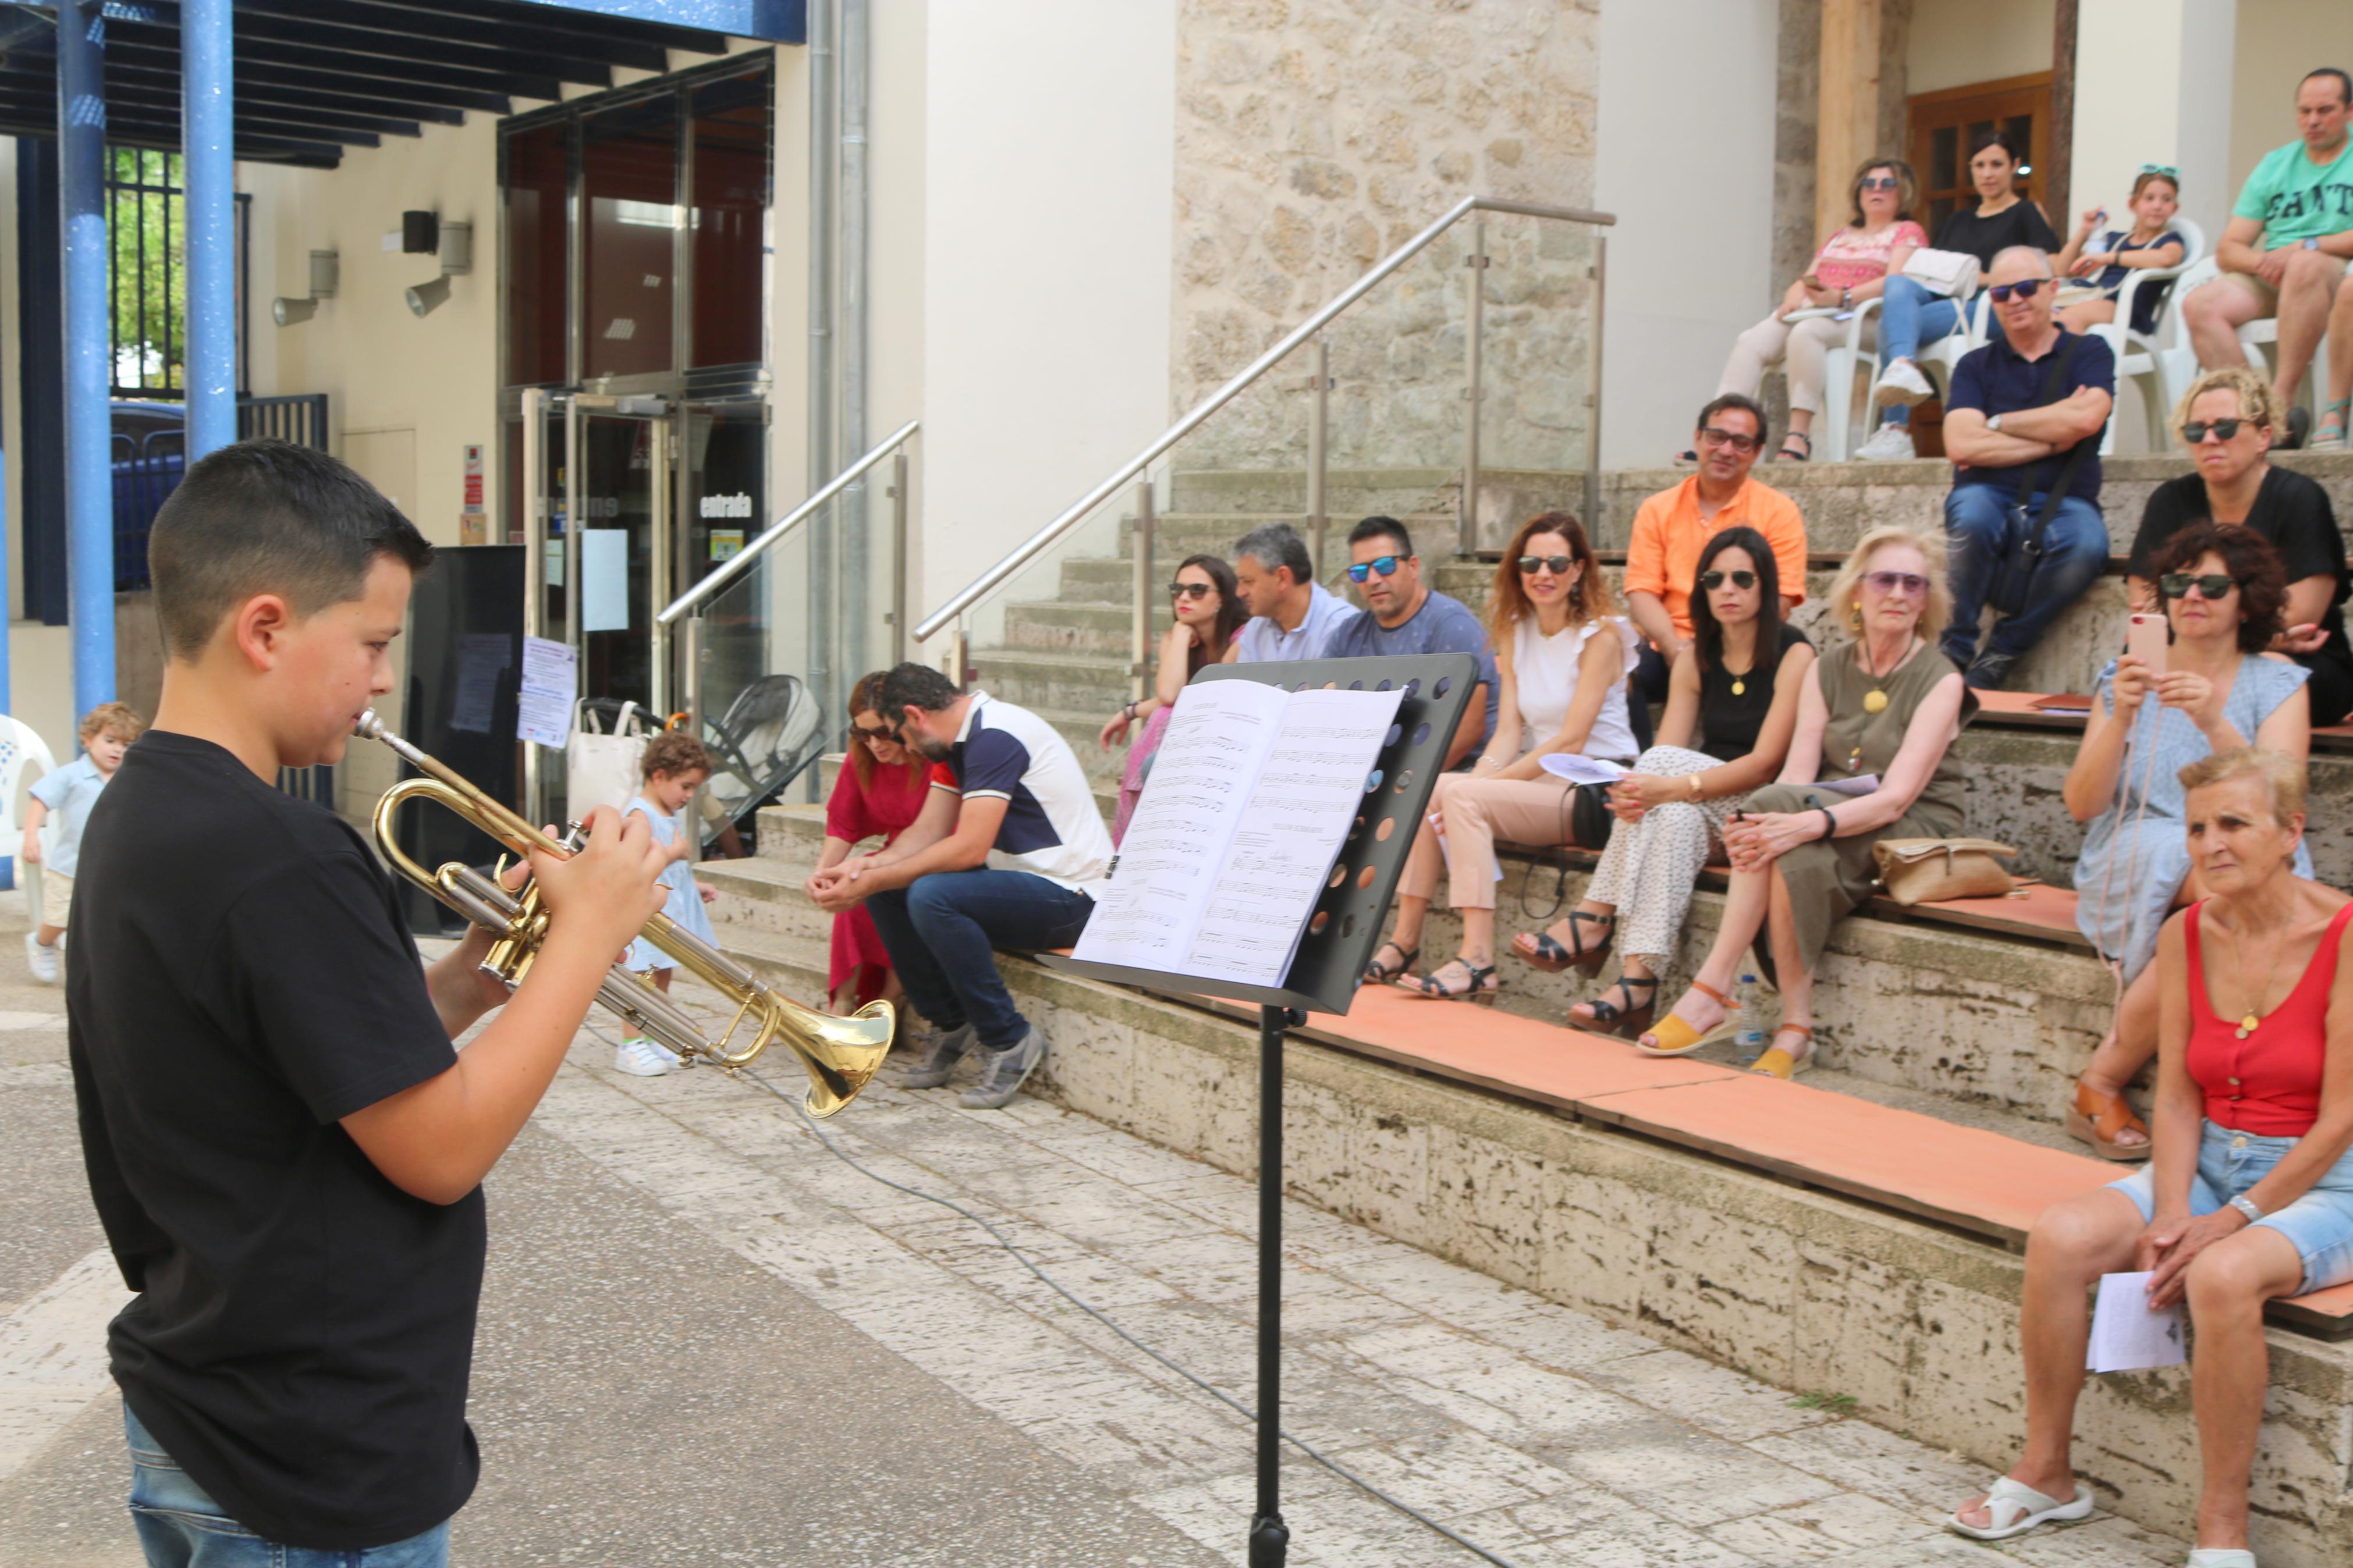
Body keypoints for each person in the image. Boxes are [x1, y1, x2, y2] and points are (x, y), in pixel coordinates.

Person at [68, 440, 668, 1566]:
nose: (385, 683)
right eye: (374, 645)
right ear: (264, 629)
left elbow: (290, 1068)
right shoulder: (283, 854)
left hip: (218, 1404)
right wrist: (589, 939)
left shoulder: (143, 813)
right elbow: (440, 1150)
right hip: (307, 1455)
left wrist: (471, 980)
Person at [1948, 748, 2353, 1566]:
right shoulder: (2184, 930)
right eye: (2197, 828)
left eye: (2232, 823)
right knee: (2061, 1233)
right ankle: (2046, 1471)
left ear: (2289, 832)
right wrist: (2174, 1209)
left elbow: (2341, 1116)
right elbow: (2173, 1095)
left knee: (2220, 1273)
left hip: (2324, 1176)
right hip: (2206, 1159)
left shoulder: (2344, 933)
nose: (2208, 843)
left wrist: (2228, 1220)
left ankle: (2220, 1527)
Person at [1638, 528, 1975, 1076]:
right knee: (1776, 831)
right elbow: (1797, 774)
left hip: (1910, 822)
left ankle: (1713, 990)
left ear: (1927, 600)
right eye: (1883, 579)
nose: (1897, 593)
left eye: (1912, 583)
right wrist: (1784, 824)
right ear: (1857, 592)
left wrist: (1804, 824)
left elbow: (1894, 799)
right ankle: (1794, 1027)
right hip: (1832, 807)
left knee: (1781, 829)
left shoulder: (1942, 680)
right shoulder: (1827, 667)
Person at [2067, 524, 2313, 1162]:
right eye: (2177, 583)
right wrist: (2119, 716)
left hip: (2248, 851)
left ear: (2245, 598)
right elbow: (2081, 805)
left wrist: (2212, 720)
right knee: (2218, 880)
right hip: (2138, 838)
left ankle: (2104, 1083)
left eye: (2211, 584)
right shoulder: (2122, 678)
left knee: (2228, 883)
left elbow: (2280, 801)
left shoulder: (2276, 682)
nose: (2191, 596)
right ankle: (2111, 1078)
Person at [1533, 529, 1816, 1037]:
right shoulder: (1695, 656)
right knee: (1672, 815)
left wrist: (1665, 784)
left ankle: (1595, 916)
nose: (1727, 588)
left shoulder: (1794, 654)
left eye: (1742, 578)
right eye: (1714, 579)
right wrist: (1638, 795)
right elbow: (1662, 769)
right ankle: (1638, 984)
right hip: (1708, 809)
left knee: (1661, 771)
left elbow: (1765, 763)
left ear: (1765, 586)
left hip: (1765, 806)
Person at [810, 664, 1112, 1111]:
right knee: (890, 889)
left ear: (915, 715)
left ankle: (1010, 1039)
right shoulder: (959, 744)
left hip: (1074, 896)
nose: (904, 747)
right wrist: (863, 869)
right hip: (1023, 886)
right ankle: (952, 1023)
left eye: (899, 734)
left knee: (933, 894)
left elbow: (969, 849)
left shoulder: (996, 737)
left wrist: (877, 875)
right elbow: (926, 832)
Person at [1371, 513, 1640, 1000]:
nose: (1544, 573)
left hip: (1598, 786)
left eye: (1557, 562)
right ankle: (1404, 940)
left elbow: (1571, 741)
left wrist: (1481, 789)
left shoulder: (1601, 636)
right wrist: (1476, 777)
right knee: (1433, 788)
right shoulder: (1516, 630)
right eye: (1531, 562)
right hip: (1542, 781)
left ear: (1578, 569)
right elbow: (1508, 732)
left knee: (1467, 798)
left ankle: (1476, 959)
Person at [1937, 246, 2117, 690]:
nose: (2013, 299)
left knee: (2087, 546)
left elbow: (2086, 419)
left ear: (2052, 289)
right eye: (2000, 292)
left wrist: (1995, 424)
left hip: (2066, 499)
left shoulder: (2089, 352)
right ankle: (1953, 651)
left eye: (2025, 288)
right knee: (1972, 517)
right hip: (1987, 493)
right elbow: (1960, 442)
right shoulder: (1974, 365)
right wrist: (2054, 438)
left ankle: (2004, 646)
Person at [2128, 368, 2352, 724]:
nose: (2211, 439)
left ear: (2264, 436)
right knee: (2131, 670)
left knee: (2267, 673)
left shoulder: (2300, 498)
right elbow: (2147, 603)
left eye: (2226, 427)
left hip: (2300, 662)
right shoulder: (2169, 500)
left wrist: (2218, 642)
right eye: (2196, 430)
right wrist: (2269, 637)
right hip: (2214, 650)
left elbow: (2302, 616)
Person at [1857, 130, 2062, 462]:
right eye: (1980, 165)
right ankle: (1903, 368)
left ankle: (1895, 428)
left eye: (1997, 164)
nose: (1988, 173)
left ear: (2015, 167)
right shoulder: (1959, 220)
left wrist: (1980, 277)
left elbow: (2048, 268)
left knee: (1891, 327)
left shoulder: (2026, 213)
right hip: (1949, 305)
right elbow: (1933, 272)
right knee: (1897, 287)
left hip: (1995, 307)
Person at [2181, 67, 2353, 451]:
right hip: (2274, 273)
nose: (2312, 120)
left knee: (2304, 266)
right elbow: (2230, 247)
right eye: (2304, 111)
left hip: (2332, 266)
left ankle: (2280, 404)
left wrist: (2306, 247)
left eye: (2324, 110)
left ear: (2349, 111)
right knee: (2199, 304)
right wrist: (2263, 263)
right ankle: (2254, 415)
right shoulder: (2275, 164)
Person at [1712, 158, 1927, 463]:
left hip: (1864, 317)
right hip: (1817, 310)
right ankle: (1720, 435)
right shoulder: (1841, 235)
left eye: (1887, 184)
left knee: (1806, 333)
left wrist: (1842, 296)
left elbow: (1896, 281)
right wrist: (1792, 299)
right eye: (1869, 184)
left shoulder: (1907, 231)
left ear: (1902, 192)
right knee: (1751, 341)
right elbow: (1806, 279)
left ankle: (1799, 437)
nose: (1876, 190)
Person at [1621, 394, 1808, 720]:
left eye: (1741, 443)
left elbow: (1781, 599)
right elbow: (1641, 591)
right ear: (1698, 438)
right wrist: (1673, 647)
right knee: (1620, 672)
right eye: (1717, 437)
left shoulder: (1780, 512)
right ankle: (1630, 767)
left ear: (1757, 452)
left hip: (1743, 646)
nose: (1725, 450)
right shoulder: (1658, 509)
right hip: (1670, 645)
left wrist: (1724, 647)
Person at [1323, 515, 1499, 766]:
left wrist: (1404, 785)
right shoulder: (1347, 634)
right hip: (1366, 774)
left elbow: (1469, 729)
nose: (1373, 579)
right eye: (1361, 572)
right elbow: (1322, 708)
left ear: (1413, 566)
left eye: (1384, 566)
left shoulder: (1451, 626)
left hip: (1448, 775)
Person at [1100, 553, 1246, 841]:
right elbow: (1171, 695)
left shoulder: (1243, 639)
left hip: (1226, 738)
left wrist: (1134, 711)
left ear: (1223, 598)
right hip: (1191, 735)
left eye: (1197, 590)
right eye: (1177, 590)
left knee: (1164, 717)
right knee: (1164, 715)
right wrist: (1180, 635)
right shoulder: (1175, 639)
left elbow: (1193, 701)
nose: (1184, 598)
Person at [816, 670, 933, 1015]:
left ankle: (885, 1004)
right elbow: (843, 822)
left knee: (891, 893)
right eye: (861, 733)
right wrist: (823, 874)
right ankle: (842, 1005)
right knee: (852, 887)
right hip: (894, 854)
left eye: (882, 733)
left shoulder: (930, 757)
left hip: (936, 857)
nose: (874, 744)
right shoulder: (863, 757)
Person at [610, 731, 722, 1077]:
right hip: (645, 914)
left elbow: (667, 870)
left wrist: (692, 885)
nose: (690, 796)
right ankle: (630, 1046)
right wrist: (674, 852)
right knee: (642, 978)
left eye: (694, 789)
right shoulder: (640, 813)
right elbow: (636, 863)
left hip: (665, 909)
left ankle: (655, 1035)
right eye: (686, 786)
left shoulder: (660, 810)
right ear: (659, 776)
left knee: (662, 978)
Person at [20, 701, 142, 984]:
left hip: (109, 869)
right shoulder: (72, 775)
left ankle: (100, 967)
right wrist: (31, 836)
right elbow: (41, 800)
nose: (117, 750)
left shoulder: (128, 779)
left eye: (126, 744)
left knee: (104, 922)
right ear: (88, 739)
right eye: (110, 740)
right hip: (69, 867)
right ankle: (42, 942)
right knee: (59, 918)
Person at [2049, 165, 2188, 336]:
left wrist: (2110, 258)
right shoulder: (2116, 239)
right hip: (2094, 296)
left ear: (2175, 208)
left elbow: (2168, 258)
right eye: (2149, 198)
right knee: (2042, 315)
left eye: (2167, 200)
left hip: (2127, 310)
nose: (2158, 206)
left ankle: (2074, 362)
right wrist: (2084, 231)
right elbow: (2062, 270)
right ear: (2133, 204)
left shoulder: (2169, 241)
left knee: (2069, 318)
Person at [1226, 521, 1353, 662]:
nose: (1240, 593)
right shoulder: (1256, 629)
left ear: (1282, 578)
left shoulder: (1340, 626)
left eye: (1248, 581)